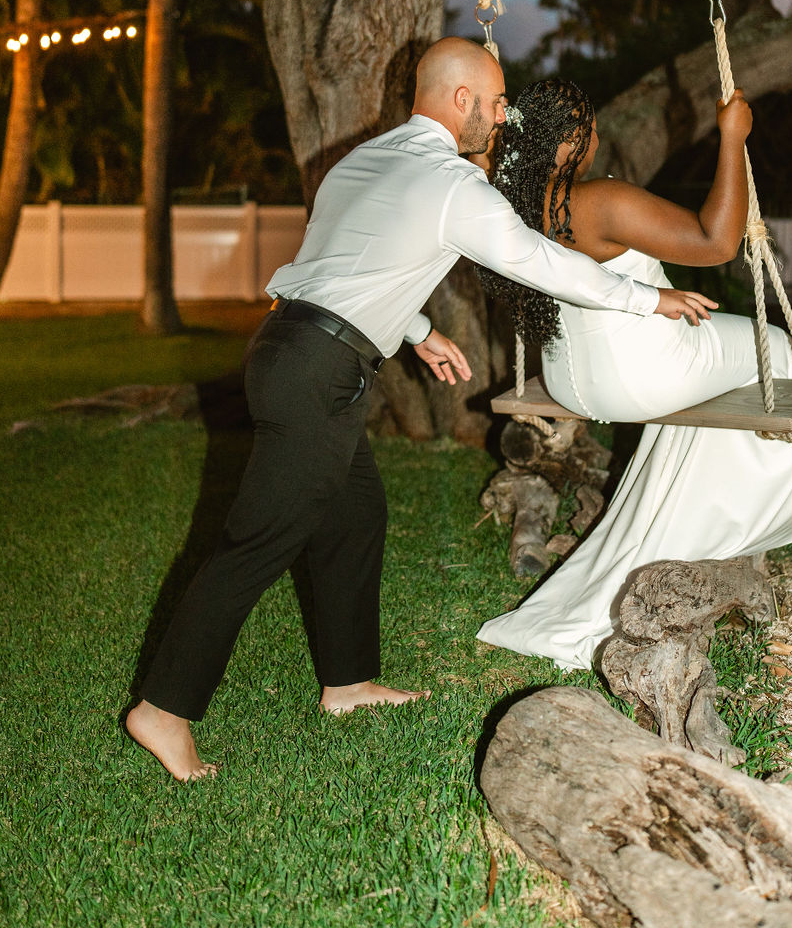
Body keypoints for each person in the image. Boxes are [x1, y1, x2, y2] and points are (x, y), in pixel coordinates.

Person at [126, 40, 715, 779]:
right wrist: (648, 299)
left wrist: (419, 330)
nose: (504, 119)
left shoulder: (364, 162)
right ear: (462, 100)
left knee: (356, 513)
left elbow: (342, 262)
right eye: (497, 104)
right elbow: (544, 262)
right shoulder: (452, 185)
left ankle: (347, 684)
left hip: (293, 351)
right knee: (258, 542)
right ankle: (163, 709)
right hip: (316, 370)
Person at [475, 77, 792, 670]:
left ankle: (710, 498)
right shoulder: (600, 201)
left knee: (718, 389)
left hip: (569, 377)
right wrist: (732, 139)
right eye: (593, 128)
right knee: (778, 346)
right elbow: (716, 242)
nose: (599, 138)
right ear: (575, 138)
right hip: (641, 371)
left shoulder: (510, 204)